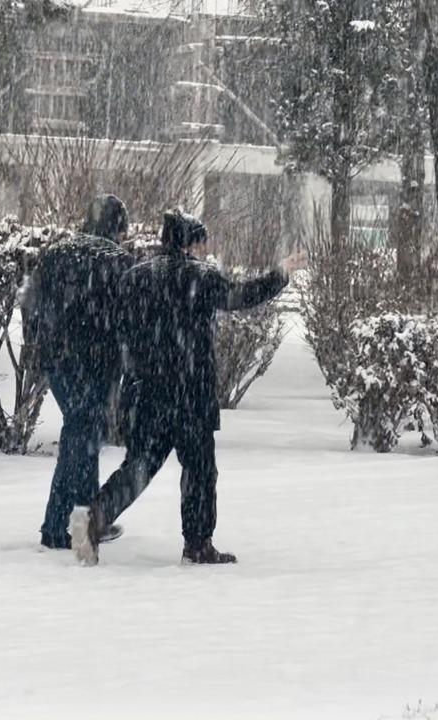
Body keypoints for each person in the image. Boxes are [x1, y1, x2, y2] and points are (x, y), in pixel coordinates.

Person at [69, 208, 306, 566]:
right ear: (191, 243)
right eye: (201, 243)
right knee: (199, 469)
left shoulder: (135, 277)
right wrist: (280, 274)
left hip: (143, 392)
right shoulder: (200, 276)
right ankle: (198, 544)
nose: (204, 251)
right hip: (188, 393)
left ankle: (95, 517)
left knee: (140, 465)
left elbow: (115, 327)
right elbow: (241, 296)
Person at [22, 194, 134, 550]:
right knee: (83, 435)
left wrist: (41, 346)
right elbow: (128, 320)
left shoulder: (56, 253)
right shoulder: (119, 262)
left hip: (59, 361)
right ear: (119, 227)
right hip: (97, 364)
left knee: (80, 433)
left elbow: (31, 305)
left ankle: (73, 522)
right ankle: (73, 523)